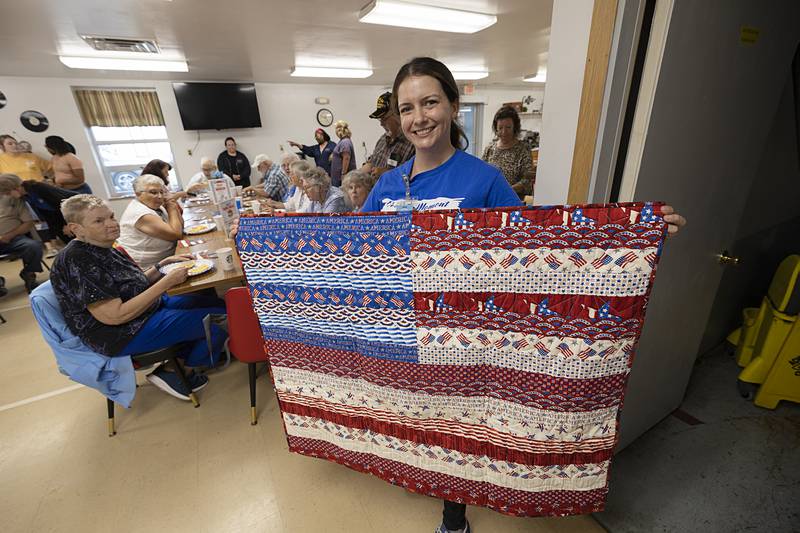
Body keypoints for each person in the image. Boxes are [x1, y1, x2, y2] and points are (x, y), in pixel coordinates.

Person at [361, 57, 687, 533]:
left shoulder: (483, 179)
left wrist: (635, 234)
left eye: (430, 102)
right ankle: (421, 472)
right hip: (403, 332)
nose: (419, 117)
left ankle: (455, 515)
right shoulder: (388, 185)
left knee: (459, 430)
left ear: (453, 106)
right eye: (407, 107)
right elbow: (355, 248)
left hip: (461, 338)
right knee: (416, 419)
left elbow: (538, 248)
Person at [50, 194, 228, 400]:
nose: (111, 224)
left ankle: (181, 359)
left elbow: (131, 285)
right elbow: (114, 316)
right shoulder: (78, 260)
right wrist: (166, 282)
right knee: (218, 323)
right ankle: (178, 372)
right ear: (76, 229)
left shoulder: (101, 245)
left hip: (145, 312)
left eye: (111, 217)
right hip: (121, 333)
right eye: (99, 221)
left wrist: (161, 266)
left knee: (219, 306)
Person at [117, 175, 183, 270]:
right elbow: (177, 235)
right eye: (153, 192)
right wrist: (171, 207)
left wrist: (172, 203)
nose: (160, 196)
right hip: (148, 269)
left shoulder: (155, 206)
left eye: (162, 192)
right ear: (138, 194)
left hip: (167, 259)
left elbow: (181, 227)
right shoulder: (140, 213)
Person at [0, 173, 77, 245]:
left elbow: (63, 203)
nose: (9, 196)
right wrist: (52, 237)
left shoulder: (38, 188)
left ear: (15, 188)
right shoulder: (26, 197)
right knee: (64, 236)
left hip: (76, 209)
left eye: (8, 193)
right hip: (59, 215)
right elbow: (48, 215)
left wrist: (68, 223)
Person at [0, 174, 44, 293]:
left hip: (14, 238)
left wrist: (9, 236)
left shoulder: (15, 199)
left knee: (33, 246)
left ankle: (29, 274)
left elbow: (28, 222)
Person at [481, 106, 535, 200]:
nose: (504, 132)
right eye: (500, 128)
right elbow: (482, 174)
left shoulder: (523, 150)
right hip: (491, 200)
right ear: (496, 128)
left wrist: (506, 190)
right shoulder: (489, 149)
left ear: (515, 127)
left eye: (508, 127)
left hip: (513, 201)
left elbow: (527, 181)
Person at [361, 91, 415, 180]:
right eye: (380, 119)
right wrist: (353, 176)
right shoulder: (382, 140)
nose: (381, 123)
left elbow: (415, 177)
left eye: (384, 118)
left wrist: (387, 173)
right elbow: (371, 163)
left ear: (398, 115)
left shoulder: (413, 144)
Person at [330, 120, 357, 187]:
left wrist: (343, 174)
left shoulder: (345, 142)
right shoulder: (342, 141)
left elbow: (346, 158)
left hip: (342, 178)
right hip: (338, 178)